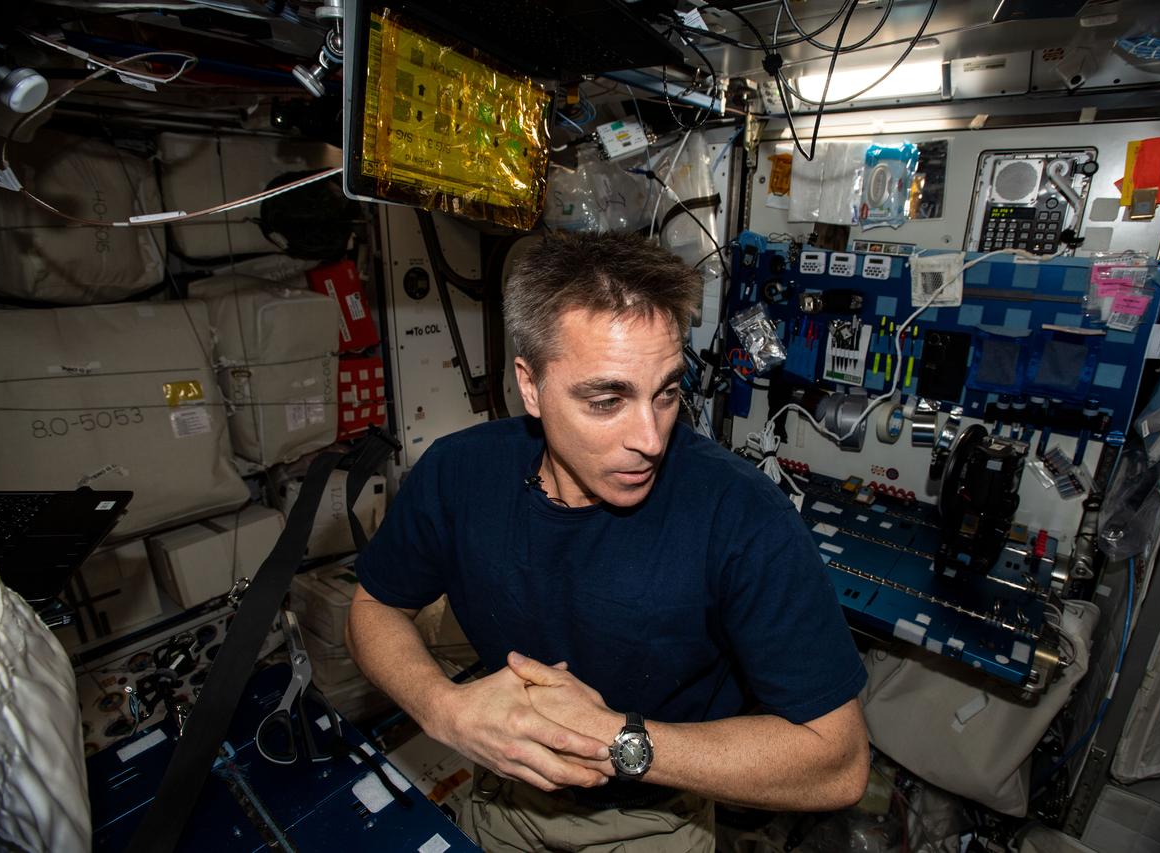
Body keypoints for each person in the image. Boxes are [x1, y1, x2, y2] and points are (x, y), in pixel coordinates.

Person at [347, 232, 869, 851]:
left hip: (657, 812)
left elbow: (838, 762)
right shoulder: (458, 473)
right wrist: (443, 708)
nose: (649, 437)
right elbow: (374, 607)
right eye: (606, 400)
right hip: (507, 795)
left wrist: (613, 739)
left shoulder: (742, 519)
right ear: (531, 385)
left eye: (668, 393)